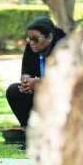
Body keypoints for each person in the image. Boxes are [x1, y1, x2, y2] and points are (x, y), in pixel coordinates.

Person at [6, 16, 67, 150]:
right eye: (29, 39)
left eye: (36, 39)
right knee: (13, 91)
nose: (32, 43)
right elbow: (25, 71)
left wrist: (39, 82)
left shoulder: (63, 47)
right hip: (41, 91)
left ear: (49, 37)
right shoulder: (31, 48)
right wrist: (26, 82)